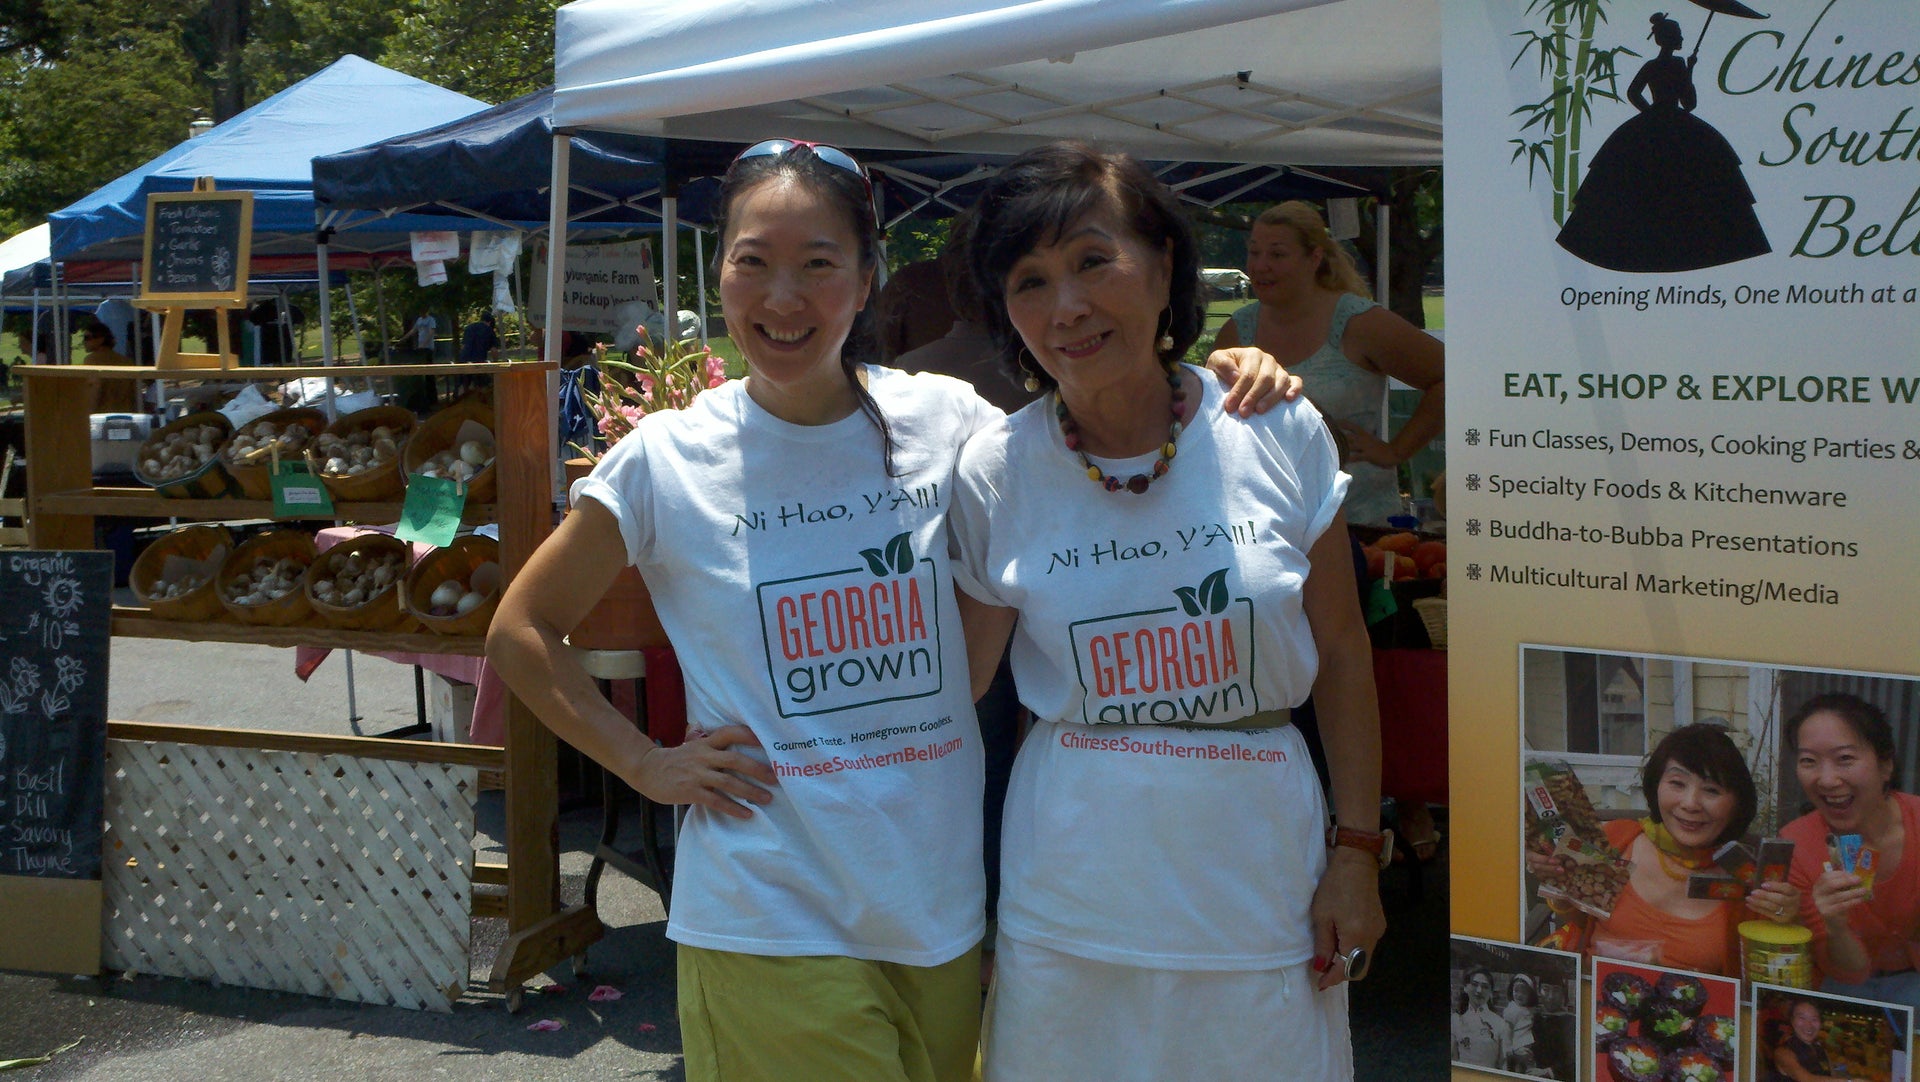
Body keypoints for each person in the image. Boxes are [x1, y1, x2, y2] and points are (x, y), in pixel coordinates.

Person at [490, 137, 1296, 1082]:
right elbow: (520, 630)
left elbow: (1091, 440)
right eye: (753, 263)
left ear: (868, 278)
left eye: (819, 265)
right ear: (718, 275)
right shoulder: (667, 459)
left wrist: (1221, 375)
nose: (782, 298)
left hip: (937, 907)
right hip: (768, 906)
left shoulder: (949, 421)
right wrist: (644, 765)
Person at [951, 142, 1384, 1082]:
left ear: (1165, 266)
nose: (1066, 306)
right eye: (1030, 280)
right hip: (1070, 896)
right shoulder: (994, 469)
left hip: (1261, 881)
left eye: (1093, 261)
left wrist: (1359, 853)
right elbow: (956, 696)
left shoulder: (1275, 426)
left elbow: (1345, 653)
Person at [1210, 200, 1442, 529]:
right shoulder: (1237, 330)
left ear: (1314, 258)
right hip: (1264, 528)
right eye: (1254, 252)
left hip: (1359, 527)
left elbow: (1449, 379)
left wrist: (1396, 451)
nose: (1260, 266)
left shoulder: (1360, 322)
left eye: (1277, 254)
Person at [1529, 724, 1798, 975]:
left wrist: (1782, 924)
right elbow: (1578, 923)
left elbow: (1767, 982)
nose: (1690, 803)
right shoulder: (1616, 840)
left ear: (1737, 803)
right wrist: (1562, 889)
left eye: (1712, 790)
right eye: (1677, 784)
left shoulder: (1749, 877)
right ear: (1656, 786)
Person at [1554, 12, 1770, 272]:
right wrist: (1688, 73)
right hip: (1676, 125)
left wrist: (1649, 112)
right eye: (1678, 35)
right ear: (1671, 39)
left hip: (1652, 121)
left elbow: (1634, 93)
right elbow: (1689, 104)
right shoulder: (1677, 65)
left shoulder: (1652, 66)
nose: (1681, 38)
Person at [1784, 693, 1920, 1007]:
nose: (1827, 779)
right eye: (1809, 761)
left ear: (1885, 765)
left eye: (1845, 758)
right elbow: (1847, 972)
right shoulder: (1797, 845)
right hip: (1845, 985)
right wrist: (1835, 924)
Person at [1765, 999, 1847, 1082]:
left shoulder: (1820, 1050)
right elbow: (1806, 1079)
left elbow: (1832, 1076)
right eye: (1802, 1018)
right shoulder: (1783, 1052)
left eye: (1814, 1019)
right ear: (1792, 1021)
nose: (1809, 1025)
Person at [1452, 967, 1510, 1069]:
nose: (1479, 990)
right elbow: (1453, 1059)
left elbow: (1503, 1064)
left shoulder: (1500, 1024)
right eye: (1474, 985)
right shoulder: (1456, 1020)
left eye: (1485, 987)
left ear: (1491, 992)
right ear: (1465, 987)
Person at [79, 321, 140, 414]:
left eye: (87, 338)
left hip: (102, 415)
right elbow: (136, 393)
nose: (84, 342)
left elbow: (94, 387)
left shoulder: (92, 360)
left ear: (101, 339)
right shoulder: (127, 361)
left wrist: (87, 414)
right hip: (126, 414)